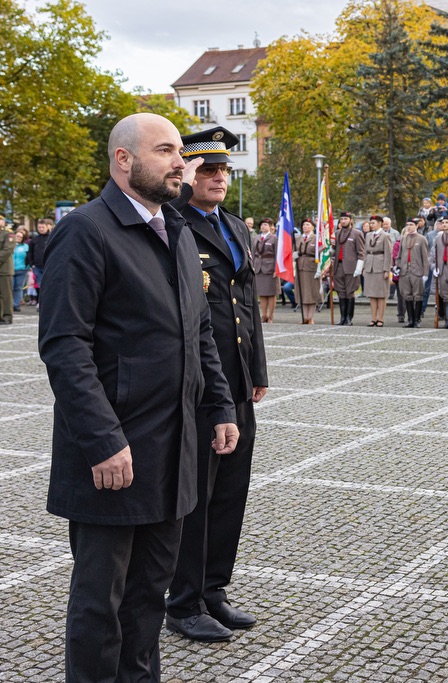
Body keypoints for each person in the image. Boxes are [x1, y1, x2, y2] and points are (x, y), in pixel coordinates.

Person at [38, 113, 239, 682]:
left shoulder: (175, 230)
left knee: (150, 596)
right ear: (123, 160)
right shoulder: (86, 230)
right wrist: (103, 441)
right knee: (102, 604)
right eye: (166, 151)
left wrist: (219, 407)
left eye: (181, 151)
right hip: (113, 456)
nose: (183, 162)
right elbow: (64, 346)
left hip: (172, 450)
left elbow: (197, 331)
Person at [166, 126, 268, 643]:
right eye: (208, 170)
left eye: (224, 170)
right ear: (185, 174)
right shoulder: (173, 224)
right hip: (201, 385)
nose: (219, 178)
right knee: (197, 495)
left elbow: (245, 305)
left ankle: (214, 591)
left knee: (231, 491)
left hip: (238, 377)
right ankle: (182, 601)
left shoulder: (234, 226)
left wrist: (259, 374)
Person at [331, 211, 364, 326]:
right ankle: (342, 317)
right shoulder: (336, 233)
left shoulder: (357, 234)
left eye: (345, 219)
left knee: (349, 292)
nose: (343, 221)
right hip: (338, 266)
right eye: (341, 219)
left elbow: (361, 252)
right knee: (341, 292)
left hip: (351, 267)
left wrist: (359, 267)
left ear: (351, 220)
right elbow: (334, 249)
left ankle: (349, 318)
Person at [398, 220, 429, 327]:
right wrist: (397, 267)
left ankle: (417, 319)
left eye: (411, 225)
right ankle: (410, 319)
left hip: (417, 271)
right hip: (405, 271)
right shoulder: (403, 239)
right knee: (407, 295)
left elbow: (425, 258)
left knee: (418, 295)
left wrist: (425, 273)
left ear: (416, 226)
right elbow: (399, 256)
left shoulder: (421, 239)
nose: (409, 227)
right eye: (407, 225)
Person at [362, 215, 393, 326]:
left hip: (380, 267)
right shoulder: (368, 235)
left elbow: (388, 254)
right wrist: (364, 267)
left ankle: (381, 318)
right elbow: (365, 252)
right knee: (372, 294)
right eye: (370, 223)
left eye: (373, 223)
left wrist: (386, 269)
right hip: (370, 265)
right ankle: (373, 318)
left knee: (381, 294)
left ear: (380, 223)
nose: (371, 225)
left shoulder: (385, 236)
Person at [294, 218, 322, 324]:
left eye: (307, 225)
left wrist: (320, 268)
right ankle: (304, 317)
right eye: (304, 225)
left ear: (312, 227)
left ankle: (310, 317)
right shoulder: (298, 238)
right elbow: (295, 250)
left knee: (312, 292)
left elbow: (321, 254)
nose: (305, 226)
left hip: (312, 267)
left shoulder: (316, 238)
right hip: (301, 267)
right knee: (303, 292)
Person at [252, 218, 278, 322]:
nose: (263, 226)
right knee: (262, 293)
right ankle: (264, 315)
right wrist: (252, 265)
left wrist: (277, 269)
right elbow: (253, 253)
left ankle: (270, 315)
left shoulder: (274, 238)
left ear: (271, 227)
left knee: (271, 293)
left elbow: (277, 254)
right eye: (262, 225)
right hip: (258, 267)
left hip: (270, 267)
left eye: (266, 225)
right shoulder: (256, 238)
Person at [26, 217, 53, 307]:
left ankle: (48, 302)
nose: (41, 229)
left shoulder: (51, 237)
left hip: (48, 266)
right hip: (37, 266)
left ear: (47, 227)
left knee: (48, 285)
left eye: (43, 227)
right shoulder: (35, 239)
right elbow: (30, 252)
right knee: (40, 285)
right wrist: (31, 264)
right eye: (39, 227)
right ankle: (41, 302)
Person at [11, 229, 29, 312]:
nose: (18, 238)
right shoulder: (10, 245)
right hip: (11, 269)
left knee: (18, 288)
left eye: (20, 237)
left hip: (22, 269)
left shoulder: (25, 247)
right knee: (10, 287)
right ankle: (9, 304)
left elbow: (29, 257)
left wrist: (28, 267)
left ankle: (16, 304)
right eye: (17, 236)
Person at [0, 220, 13, 324]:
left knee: (6, 294)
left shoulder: (8, 234)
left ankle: (7, 316)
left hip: (4, 269)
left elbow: (7, 250)